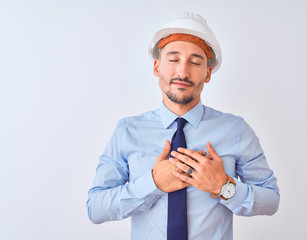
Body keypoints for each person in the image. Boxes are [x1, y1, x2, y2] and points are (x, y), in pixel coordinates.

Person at [87, 12, 279, 240]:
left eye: (195, 62)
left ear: (207, 73)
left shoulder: (235, 129)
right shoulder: (127, 130)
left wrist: (223, 187)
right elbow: (95, 208)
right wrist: (153, 183)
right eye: (173, 59)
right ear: (157, 66)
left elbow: (271, 200)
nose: (183, 72)